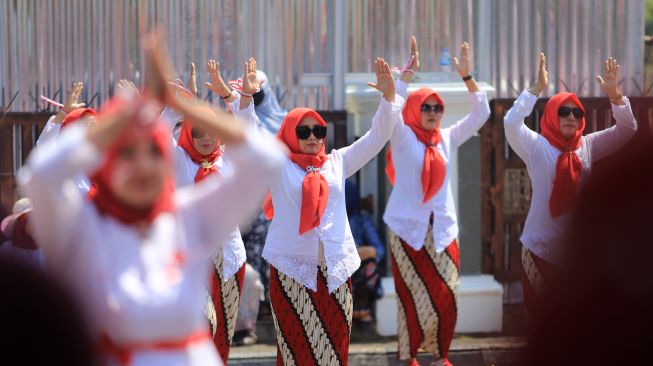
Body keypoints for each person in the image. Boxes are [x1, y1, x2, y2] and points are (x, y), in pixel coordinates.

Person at [18, 31, 286, 366]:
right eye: (127, 153)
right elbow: (41, 176)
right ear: (107, 159)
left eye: (154, 153)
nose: (142, 166)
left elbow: (267, 159)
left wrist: (183, 105)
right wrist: (130, 111)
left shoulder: (185, 218)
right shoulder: (81, 226)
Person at [260, 57, 403, 366]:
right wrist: (243, 102)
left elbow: (376, 138)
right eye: (304, 131)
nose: (313, 137)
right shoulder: (278, 165)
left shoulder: (337, 161)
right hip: (291, 271)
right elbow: (247, 140)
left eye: (319, 130)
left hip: (337, 272)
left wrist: (389, 97)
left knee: (335, 351)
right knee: (296, 351)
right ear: (289, 134)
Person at [503, 54, 637, 317]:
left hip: (576, 252)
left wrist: (615, 97)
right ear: (552, 114)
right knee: (542, 322)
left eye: (577, 112)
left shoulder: (587, 145)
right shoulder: (537, 146)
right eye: (564, 111)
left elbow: (627, 130)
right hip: (539, 249)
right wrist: (536, 89)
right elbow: (510, 123)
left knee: (573, 324)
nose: (571, 117)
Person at [384, 39, 491, 366]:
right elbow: (389, 113)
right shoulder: (402, 136)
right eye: (426, 107)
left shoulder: (446, 137)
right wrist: (405, 78)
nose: (432, 113)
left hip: (443, 231)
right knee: (411, 298)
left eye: (437, 108)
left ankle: (441, 355)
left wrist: (467, 75)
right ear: (415, 109)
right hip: (407, 232)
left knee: (448, 295)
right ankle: (410, 356)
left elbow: (481, 113)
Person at [169, 57, 263, 362]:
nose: (207, 138)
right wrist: (180, 105)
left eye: (212, 131)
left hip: (231, 259)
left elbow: (248, 134)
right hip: (193, 260)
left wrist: (239, 96)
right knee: (201, 326)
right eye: (198, 133)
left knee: (223, 333)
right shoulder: (178, 160)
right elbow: (155, 134)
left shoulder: (228, 159)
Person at [345, 179, 384, 323]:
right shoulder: (326, 221)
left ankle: (361, 308)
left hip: (357, 267)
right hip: (337, 267)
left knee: (370, 266)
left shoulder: (361, 220)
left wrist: (368, 251)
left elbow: (379, 250)